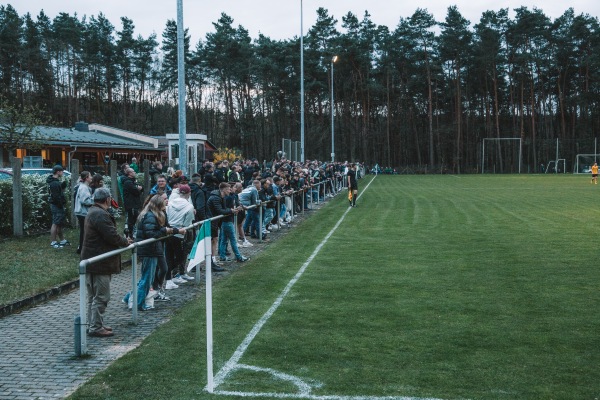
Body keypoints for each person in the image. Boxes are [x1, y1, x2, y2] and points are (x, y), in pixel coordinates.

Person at [81, 187, 132, 337]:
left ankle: (94, 324)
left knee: (93, 297)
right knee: (102, 296)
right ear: (107, 199)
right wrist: (125, 242)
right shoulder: (100, 214)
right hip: (99, 262)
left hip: (92, 260)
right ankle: (96, 327)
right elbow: (111, 235)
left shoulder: (92, 211)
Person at [123, 194, 181, 310]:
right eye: (164, 202)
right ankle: (138, 304)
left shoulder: (152, 215)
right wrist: (164, 230)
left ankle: (130, 297)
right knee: (147, 279)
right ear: (159, 205)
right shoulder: (150, 216)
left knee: (146, 277)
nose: (166, 203)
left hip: (151, 249)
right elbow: (151, 234)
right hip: (149, 250)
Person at [165, 184, 196, 288]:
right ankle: (168, 275)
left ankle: (170, 277)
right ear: (189, 193)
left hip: (169, 231)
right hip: (179, 232)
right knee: (179, 257)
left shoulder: (171, 202)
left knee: (169, 255)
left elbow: (167, 215)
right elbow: (188, 223)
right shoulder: (189, 206)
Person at [217, 183, 249, 263]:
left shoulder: (230, 197)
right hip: (227, 220)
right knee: (233, 240)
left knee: (224, 240)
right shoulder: (228, 198)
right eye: (234, 187)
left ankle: (222, 256)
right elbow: (226, 209)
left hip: (226, 220)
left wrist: (237, 207)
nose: (236, 188)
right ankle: (238, 257)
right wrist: (233, 210)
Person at [47, 165, 70, 248]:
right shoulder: (54, 183)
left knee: (59, 223)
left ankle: (62, 240)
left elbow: (57, 193)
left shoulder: (54, 182)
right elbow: (56, 196)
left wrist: (62, 187)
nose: (63, 173)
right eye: (62, 171)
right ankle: (53, 242)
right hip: (57, 205)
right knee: (55, 223)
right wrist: (61, 204)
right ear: (58, 172)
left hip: (57, 205)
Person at [74, 171, 94, 254]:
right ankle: (82, 248)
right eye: (90, 176)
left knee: (84, 230)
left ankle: (81, 248)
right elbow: (84, 200)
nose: (92, 177)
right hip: (83, 212)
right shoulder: (84, 188)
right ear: (86, 178)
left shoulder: (83, 186)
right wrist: (94, 200)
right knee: (85, 231)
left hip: (81, 212)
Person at [122, 168, 143, 238]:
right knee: (131, 221)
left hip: (134, 204)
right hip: (131, 205)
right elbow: (136, 191)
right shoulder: (128, 182)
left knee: (133, 220)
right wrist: (138, 189)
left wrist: (139, 189)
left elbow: (140, 188)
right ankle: (129, 235)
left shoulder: (133, 181)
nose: (135, 172)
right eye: (133, 171)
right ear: (130, 173)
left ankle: (130, 234)